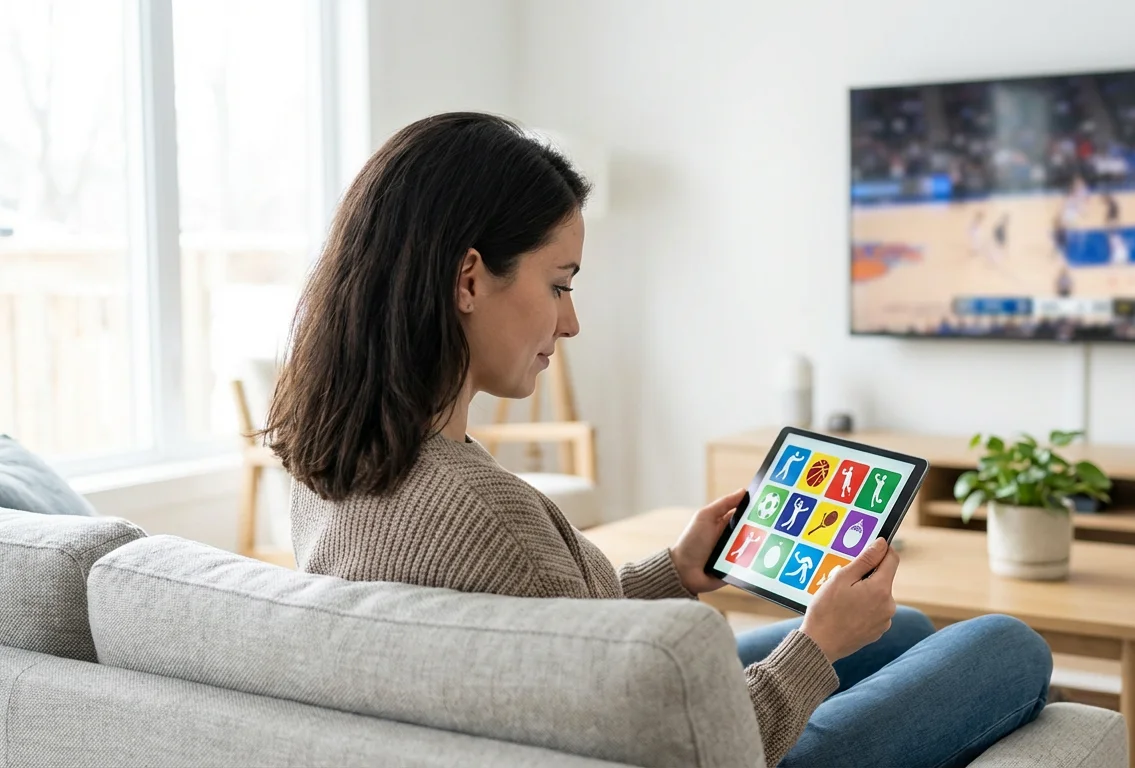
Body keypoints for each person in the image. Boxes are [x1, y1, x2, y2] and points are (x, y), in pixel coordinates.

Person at [266, 113, 1051, 768]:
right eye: (560, 283)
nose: (571, 321)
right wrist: (816, 646)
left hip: (575, 726)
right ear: (468, 279)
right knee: (1007, 645)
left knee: (903, 629)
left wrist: (674, 571)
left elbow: (547, 641)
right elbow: (705, 749)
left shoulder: (332, 462)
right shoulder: (483, 515)